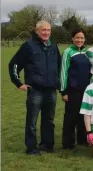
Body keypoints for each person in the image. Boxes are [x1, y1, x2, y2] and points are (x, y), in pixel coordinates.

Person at [9, 20, 61, 155]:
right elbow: (14, 64)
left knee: (49, 120)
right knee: (32, 121)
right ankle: (32, 148)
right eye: (43, 30)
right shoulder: (28, 46)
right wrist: (19, 83)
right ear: (37, 31)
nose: (46, 33)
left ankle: (47, 145)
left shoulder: (53, 47)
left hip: (51, 91)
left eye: (48, 30)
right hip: (35, 91)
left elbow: (59, 67)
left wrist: (59, 84)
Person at [60, 28, 92, 150]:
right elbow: (63, 72)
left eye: (82, 38)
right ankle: (68, 143)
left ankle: (82, 140)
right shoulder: (68, 52)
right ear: (72, 39)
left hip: (85, 90)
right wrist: (64, 91)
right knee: (71, 117)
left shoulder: (86, 52)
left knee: (83, 115)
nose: (79, 40)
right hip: (72, 90)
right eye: (77, 38)